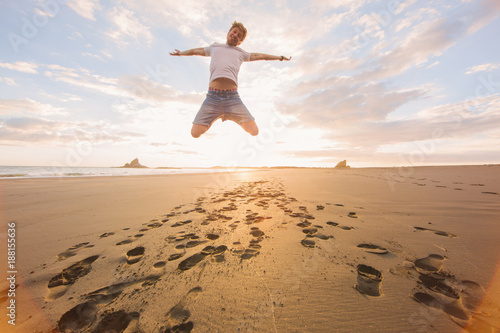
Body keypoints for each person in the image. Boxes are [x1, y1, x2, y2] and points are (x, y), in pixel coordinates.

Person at [170, 21, 291, 138]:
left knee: (254, 131)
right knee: (195, 133)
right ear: (229, 32)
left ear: (240, 41)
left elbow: (261, 56)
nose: (235, 36)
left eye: (239, 36)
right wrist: (180, 53)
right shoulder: (214, 47)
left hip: (232, 98)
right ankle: (220, 114)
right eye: (234, 32)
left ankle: (227, 113)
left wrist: (280, 58)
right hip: (213, 97)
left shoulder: (241, 53)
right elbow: (195, 51)